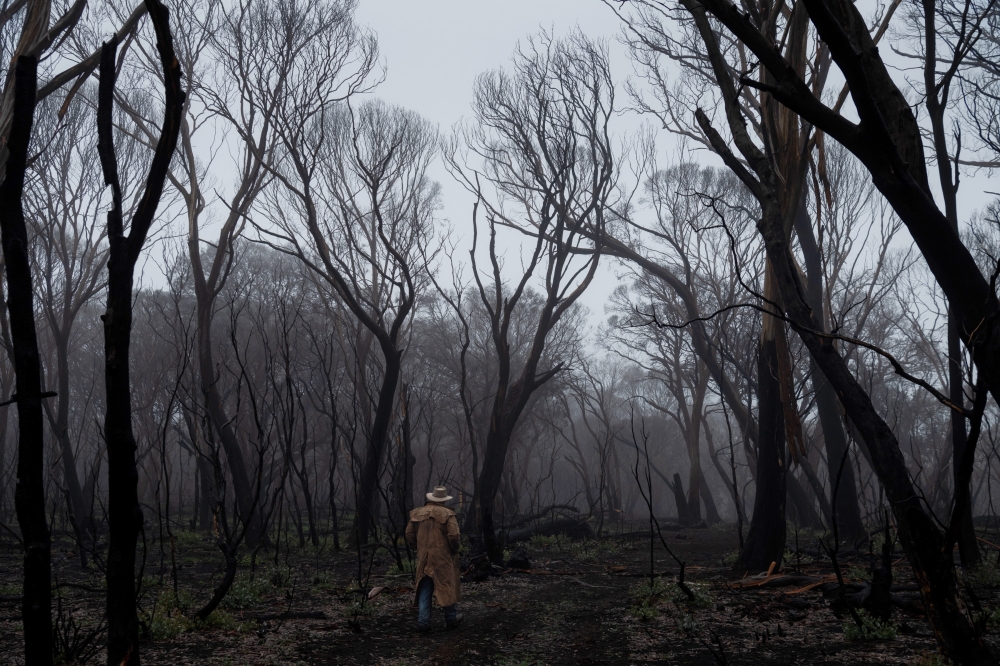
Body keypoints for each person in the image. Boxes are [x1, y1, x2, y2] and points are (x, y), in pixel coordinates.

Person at [405, 485, 463, 632]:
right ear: (443, 500)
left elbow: (409, 534)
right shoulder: (448, 514)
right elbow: (454, 535)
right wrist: (453, 549)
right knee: (446, 586)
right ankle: (451, 619)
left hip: (424, 557)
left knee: (425, 588)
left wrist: (418, 547)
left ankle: (423, 622)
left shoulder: (417, 513)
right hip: (442, 557)